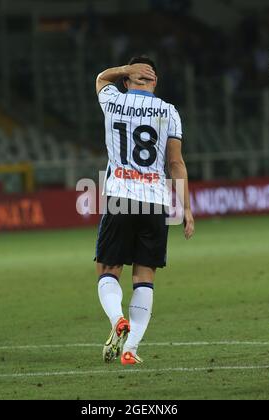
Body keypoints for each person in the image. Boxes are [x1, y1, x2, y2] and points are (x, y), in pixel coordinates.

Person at [95, 56, 195, 365]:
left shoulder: (113, 100)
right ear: (155, 82)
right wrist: (187, 208)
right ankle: (130, 349)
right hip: (155, 200)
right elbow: (175, 163)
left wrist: (123, 71)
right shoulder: (169, 112)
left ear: (127, 81)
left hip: (119, 196)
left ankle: (117, 319)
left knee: (108, 270)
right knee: (145, 276)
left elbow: (101, 78)